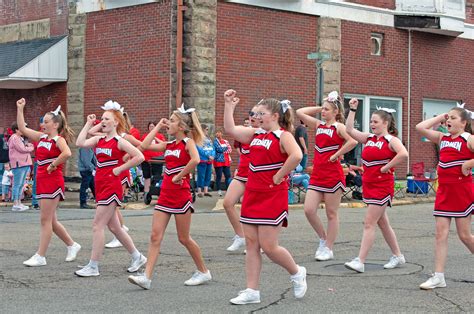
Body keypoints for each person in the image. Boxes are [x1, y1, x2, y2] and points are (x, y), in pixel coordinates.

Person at [223, 90, 306, 305]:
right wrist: (228, 105)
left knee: (269, 246)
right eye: (256, 112)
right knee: (251, 244)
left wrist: (279, 175)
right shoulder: (255, 134)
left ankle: (297, 272)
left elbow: (297, 155)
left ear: (275, 116)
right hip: (252, 193)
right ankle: (252, 290)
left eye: (262, 113)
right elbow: (230, 129)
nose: (257, 116)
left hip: (272, 194)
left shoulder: (284, 135)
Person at [128, 104, 211, 290]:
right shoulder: (169, 145)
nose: (169, 124)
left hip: (181, 195)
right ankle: (146, 277)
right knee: (155, 236)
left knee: (184, 238)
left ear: (181, 126)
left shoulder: (187, 143)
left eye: (172, 121)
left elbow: (196, 160)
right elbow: (144, 146)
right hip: (165, 195)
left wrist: (179, 176)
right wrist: (158, 126)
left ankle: (203, 271)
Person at [75, 101, 146, 277]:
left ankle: (93, 266)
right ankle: (137, 256)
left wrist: (121, 169)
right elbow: (80, 142)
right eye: (102, 119)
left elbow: (140, 156)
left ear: (116, 122)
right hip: (100, 184)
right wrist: (89, 122)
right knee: (115, 228)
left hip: (111, 185)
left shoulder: (119, 141)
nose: (103, 121)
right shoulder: (99, 139)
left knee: (97, 225)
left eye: (107, 119)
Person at [344, 99, 408, 273]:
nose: (372, 124)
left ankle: (360, 261)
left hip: (382, 186)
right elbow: (349, 129)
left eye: (375, 122)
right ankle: (398, 255)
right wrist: (352, 109)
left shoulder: (391, 139)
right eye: (371, 121)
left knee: (369, 222)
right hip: (369, 185)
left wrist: (387, 167)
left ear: (385, 123)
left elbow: (403, 154)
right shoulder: (369, 138)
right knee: (382, 224)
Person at [16, 98, 81, 267]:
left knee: (45, 220)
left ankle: (41, 256)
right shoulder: (42, 137)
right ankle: (72, 245)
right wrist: (20, 108)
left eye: (46, 122)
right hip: (43, 179)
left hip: (52, 180)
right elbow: (22, 128)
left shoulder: (58, 139)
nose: (42, 124)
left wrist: (53, 164)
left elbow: (67, 153)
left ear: (55, 125)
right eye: (42, 121)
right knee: (51, 221)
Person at [416, 105, 474, 289]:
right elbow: (420, 127)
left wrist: (470, 162)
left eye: (453, 118)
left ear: (464, 123)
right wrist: (440, 117)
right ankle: (439, 276)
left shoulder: (468, 138)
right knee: (440, 234)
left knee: (464, 235)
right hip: (444, 191)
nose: (449, 121)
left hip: (462, 190)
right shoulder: (442, 137)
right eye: (448, 118)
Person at [296, 91, 357, 261]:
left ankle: (329, 248)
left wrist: (337, 153)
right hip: (318, 175)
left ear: (335, 112)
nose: (323, 112)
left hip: (333, 174)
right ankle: (323, 239)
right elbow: (300, 112)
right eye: (322, 109)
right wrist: (322, 105)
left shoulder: (338, 127)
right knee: (309, 210)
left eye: (327, 110)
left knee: (331, 213)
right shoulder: (318, 125)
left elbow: (353, 141)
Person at [223, 107, 260, 252]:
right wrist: (229, 107)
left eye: (256, 114)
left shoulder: (264, 134)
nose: (252, 116)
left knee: (252, 209)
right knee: (228, 203)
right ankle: (241, 235)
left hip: (256, 176)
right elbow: (230, 129)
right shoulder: (245, 133)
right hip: (242, 174)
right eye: (250, 113)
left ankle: (257, 242)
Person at [8, 122, 34, 211]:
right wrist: (31, 147)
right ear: (16, 129)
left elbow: (24, 147)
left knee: (21, 184)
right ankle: (16, 203)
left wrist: (28, 146)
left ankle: (18, 202)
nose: (24, 129)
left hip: (23, 163)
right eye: (22, 128)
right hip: (19, 164)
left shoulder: (20, 138)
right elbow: (22, 149)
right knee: (17, 184)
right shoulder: (15, 138)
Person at [141, 121, 166, 201]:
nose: (151, 128)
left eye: (153, 126)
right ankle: (146, 192)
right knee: (146, 175)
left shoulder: (160, 136)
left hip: (157, 160)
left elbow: (163, 145)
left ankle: (157, 191)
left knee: (157, 176)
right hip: (146, 159)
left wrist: (155, 138)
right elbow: (142, 146)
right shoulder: (145, 136)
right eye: (150, 126)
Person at [196, 124, 215, 198]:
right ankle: (199, 191)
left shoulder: (209, 139)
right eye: (206, 129)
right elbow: (199, 149)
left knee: (208, 175)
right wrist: (208, 155)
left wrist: (213, 156)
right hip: (202, 160)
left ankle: (206, 190)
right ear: (202, 130)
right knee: (201, 175)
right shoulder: (198, 139)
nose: (207, 131)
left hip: (209, 161)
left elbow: (213, 148)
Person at [213, 129, 232, 197]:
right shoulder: (215, 141)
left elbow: (230, 150)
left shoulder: (225, 141)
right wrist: (225, 148)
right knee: (219, 176)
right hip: (218, 161)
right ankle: (219, 190)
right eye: (216, 132)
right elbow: (219, 149)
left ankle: (228, 189)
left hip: (226, 161)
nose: (218, 134)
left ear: (222, 133)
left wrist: (224, 149)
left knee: (228, 175)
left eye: (219, 132)